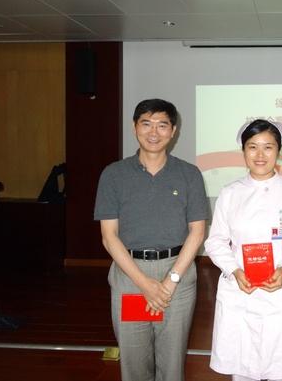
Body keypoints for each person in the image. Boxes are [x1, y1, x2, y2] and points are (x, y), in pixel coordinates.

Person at [94, 99, 208, 381]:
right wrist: (144, 284)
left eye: (162, 125)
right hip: (131, 275)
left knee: (172, 363)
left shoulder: (189, 174)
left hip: (177, 274)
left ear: (173, 130)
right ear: (135, 127)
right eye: (146, 124)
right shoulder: (114, 174)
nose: (153, 132)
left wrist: (171, 281)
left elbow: (197, 232)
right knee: (134, 362)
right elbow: (109, 236)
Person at [204, 119, 282, 381]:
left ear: (279, 151)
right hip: (241, 290)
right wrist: (234, 270)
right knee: (244, 368)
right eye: (252, 147)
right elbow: (215, 241)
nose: (260, 154)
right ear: (243, 151)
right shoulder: (230, 193)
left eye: (268, 147)